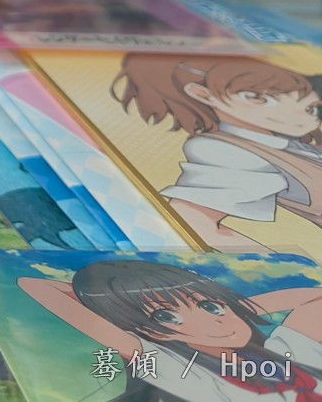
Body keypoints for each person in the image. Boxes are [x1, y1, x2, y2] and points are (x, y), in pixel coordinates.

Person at [22, 258, 322, 401]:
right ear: (154, 331)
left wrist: (239, 308)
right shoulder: (175, 368)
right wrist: (116, 300)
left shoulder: (287, 352)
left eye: (210, 306)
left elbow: (315, 297)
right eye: (167, 317)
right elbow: (37, 286)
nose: (213, 322)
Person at [115, 53, 322, 251]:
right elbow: (192, 218)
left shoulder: (288, 143)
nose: (300, 116)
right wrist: (289, 265)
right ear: (202, 94)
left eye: (310, 108)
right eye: (259, 98)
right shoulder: (225, 151)